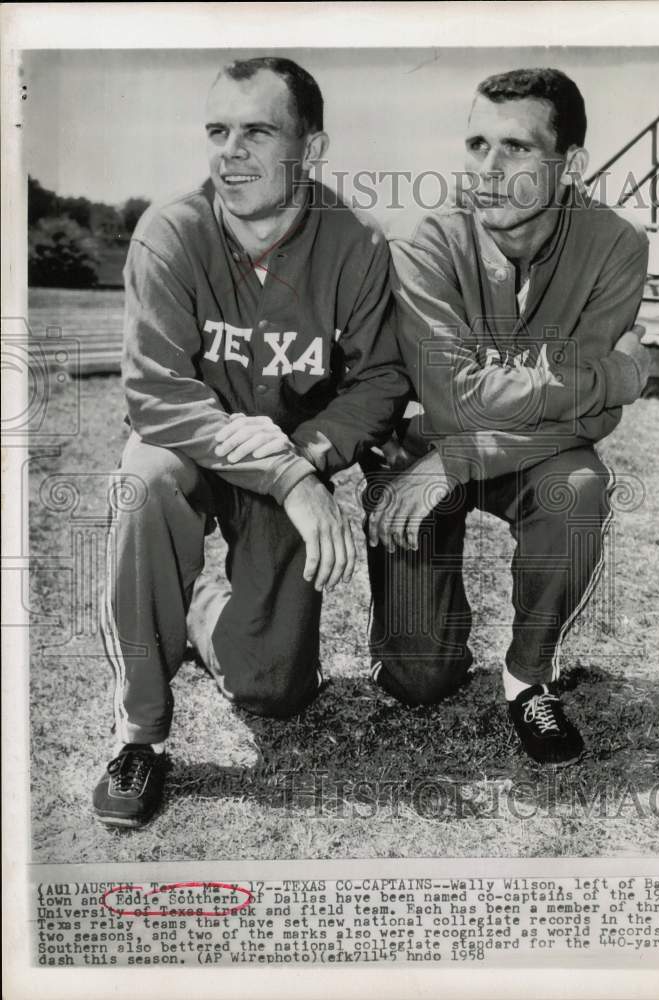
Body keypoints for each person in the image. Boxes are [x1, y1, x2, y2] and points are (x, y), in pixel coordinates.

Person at [94, 56, 410, 827]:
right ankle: (140, 735)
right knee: (145, 480)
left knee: (274, 693)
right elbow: (158, 396)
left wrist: (311, 457)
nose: (229, 151)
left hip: (292, 455)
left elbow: (380, 379)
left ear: (312, 146)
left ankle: (202, 607)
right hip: (195, 455)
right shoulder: (170, 232)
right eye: (218, 131)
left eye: (258, 131)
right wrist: (292, 480)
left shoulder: (356, 242)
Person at [365, 68, 651, 765]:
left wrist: (464, 457)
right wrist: (617, 372)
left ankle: (529, 677)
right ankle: (414, 646)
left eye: (516, 148)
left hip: (490, 460)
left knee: (578, 487)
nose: (486, 170)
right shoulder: (426, 240)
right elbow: (456, 400)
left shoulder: (616, 244)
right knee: (418, 681)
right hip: (419, 450)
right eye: (476, 144)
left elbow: (590, 419)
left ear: (569, 165)